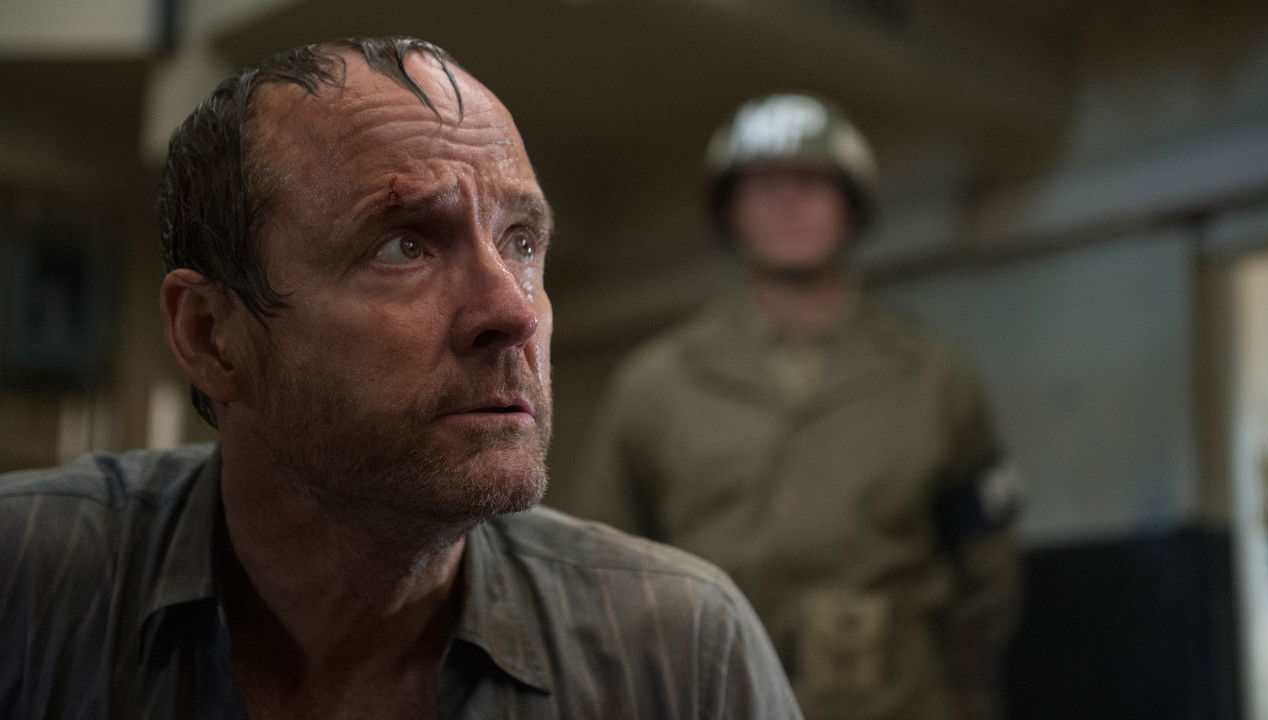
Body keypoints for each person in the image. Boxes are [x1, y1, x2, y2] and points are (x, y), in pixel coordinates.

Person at [0, 38, 802, 719]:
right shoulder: (28, 590)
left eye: (522, 242)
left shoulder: (678, 657)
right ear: (211, 335)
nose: (512, 312)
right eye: (404, 246)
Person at [572, 93, 1020, 720]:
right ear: (730, 212)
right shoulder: (656, 382)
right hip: (710, 700)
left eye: (811, 183)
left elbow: (987, 571)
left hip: (895, 703)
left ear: (851, 207)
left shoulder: (932, 376)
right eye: (763, 187)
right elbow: (601, 571)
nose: (788, 205)